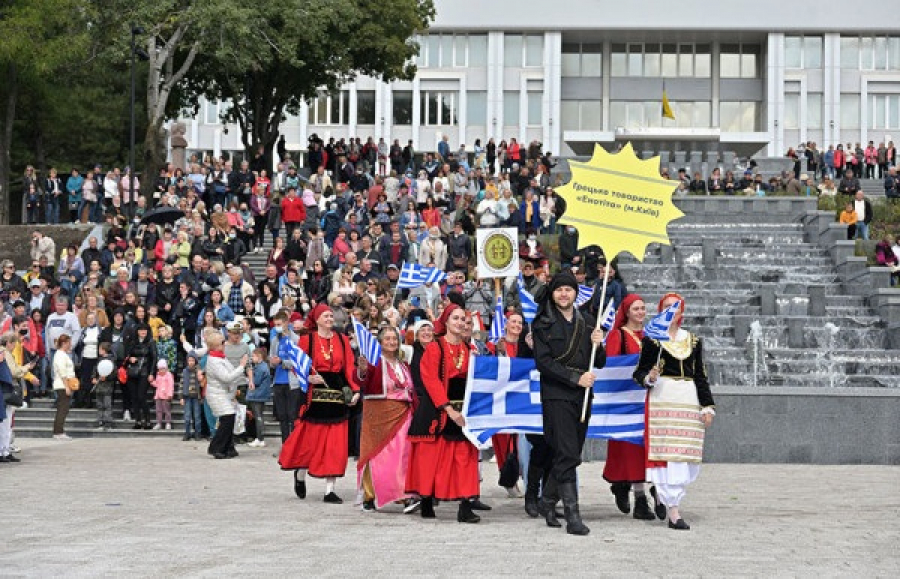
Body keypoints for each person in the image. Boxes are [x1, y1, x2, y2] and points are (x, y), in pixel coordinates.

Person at [532, 270, 606, 536]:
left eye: (569, 290)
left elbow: (598, 361)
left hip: (583, 396)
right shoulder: (542, 322)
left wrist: (600, 342)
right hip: (556, 394)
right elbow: (544, 363)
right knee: (567, 453)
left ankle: (547, 500)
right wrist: (576, 378)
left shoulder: (587, 321)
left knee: (571, 452)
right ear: (553, 293)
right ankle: (573, 515)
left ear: (576, 293)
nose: (564, 294)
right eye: (559, 290)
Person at [633, 293, 715, 530]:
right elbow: (638, 373)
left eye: (675, 308)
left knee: (684, 456)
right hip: (662, 400)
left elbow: (700, 375)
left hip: (687, 401)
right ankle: (674, 510)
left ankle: (666, 495)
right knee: (668, 456)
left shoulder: (694, 341)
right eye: (667, 307)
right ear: (660, 311)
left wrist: (707, 406)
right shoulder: (652, 341)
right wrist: (649, 377)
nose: (671, 311)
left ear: (682, 313)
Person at [405, 303, 486, 524]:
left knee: (465, 459)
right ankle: (427, 498)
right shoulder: (435, 347)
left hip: (464, 412)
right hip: (437, 411)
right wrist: (448, 409)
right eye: (456, 318)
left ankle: (465, 505)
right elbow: (430, 381)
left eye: (463, 319)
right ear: (446, 321)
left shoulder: (470, 350)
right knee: (432, 459)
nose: (460, 323)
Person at [278, 303, 360, 503]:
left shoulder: (342, 340)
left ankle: (329, 490)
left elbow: (349, 366)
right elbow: (297, 364)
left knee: (335, 444)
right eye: (326, 316)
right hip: (314, 395)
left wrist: (355, 390)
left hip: (337, 392)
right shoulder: (308, 340)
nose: (330, 319)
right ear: (316, 319)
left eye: (331, 316)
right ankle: (300, 473)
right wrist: (306, 376)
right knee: (310, 441)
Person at [601, 294, 664, 521]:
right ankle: (636, 495)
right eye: (635, 309)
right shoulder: (618, 335)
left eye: (642, 308)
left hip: (648, 399)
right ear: (627, 312)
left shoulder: (651, 335)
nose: (640, 312)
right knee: (629, 450)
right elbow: (611, 366)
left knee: (647, 447)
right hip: (626, 401)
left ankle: (652, 491)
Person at [356, 326, 417, 512]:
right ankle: (369, 495)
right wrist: (363, 370)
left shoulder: (403, 364)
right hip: (379, 415)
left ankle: (404, 495)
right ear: (380, 342)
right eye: (387, 338)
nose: (391, 342)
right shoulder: (374, 361)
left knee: (403, 456)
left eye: (394, 339)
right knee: (376, 456)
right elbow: (362, 380)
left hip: (404, 415)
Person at [486, 311, 532, 499]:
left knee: (521, 441)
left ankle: (522, 476)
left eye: (520, 322)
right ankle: (509, 478)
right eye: (513, 322)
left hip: (521, 398)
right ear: (505, 324)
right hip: (501, 398)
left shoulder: (526, 345)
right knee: (504, 441)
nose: (517, 325)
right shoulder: (495, 345)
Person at [205, 331, 250, 459]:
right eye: (222, 343)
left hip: (225, 393)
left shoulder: (220, 357)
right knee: (227, 418)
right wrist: (241, 366)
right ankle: (216, 447)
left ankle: (228, 447)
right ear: (215, 346)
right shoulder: (214, 361)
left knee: (229, 419)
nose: (224, 344)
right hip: (217, 394)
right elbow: (226, 377)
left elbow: (230, 372)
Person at [122, 323, 157, 430]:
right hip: (132, 371)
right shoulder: (132, 342)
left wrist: (152, 373)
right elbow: (126, 356)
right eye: (141, 330)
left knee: (141, 396)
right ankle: (138, 420)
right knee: (134, 397)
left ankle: (147, 420)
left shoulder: (151, 342)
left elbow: (154, 358)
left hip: (144, 371)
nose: (143, 332)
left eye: (145, 330)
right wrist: (130, 359)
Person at [52, 334, 77, 440]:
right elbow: (62, 372)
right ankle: (58, 432)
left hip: (64, 384)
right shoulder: (60, 355)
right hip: (62, 385)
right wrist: (66, 387)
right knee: (63, 409)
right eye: (68, 343)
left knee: (63, 409)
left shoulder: (62, 354)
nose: (70, 344)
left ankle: (59, 431)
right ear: (64, 343)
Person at [246, 347, 272, 448]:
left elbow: (256, 382)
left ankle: (260, 438)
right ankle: (259, 438)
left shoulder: (261, 368)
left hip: (258, 395)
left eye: (253, 356)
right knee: (259, 416)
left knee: (258, 417)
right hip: (259, 394)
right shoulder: (262, 366)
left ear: (259, 356)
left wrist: (249, 376)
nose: (252, 358)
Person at [180, 353, 205, 441]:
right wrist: (181, 397)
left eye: (192, 360)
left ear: (195, 361)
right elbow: (181, 384)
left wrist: (200, 374)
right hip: (187, 397)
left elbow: (201, 382)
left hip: (196, 397)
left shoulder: (198, 371)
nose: (191, 362)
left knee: (197, 416)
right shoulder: (184, 371)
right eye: (189, 360)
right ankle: (187, 433)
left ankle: (198, 433)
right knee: (187, 416)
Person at [92, 343, 116, 430]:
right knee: (99, 405)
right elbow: (95, 369)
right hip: (99, 386)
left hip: (107, 387)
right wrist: (93, 377)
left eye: (100, 349)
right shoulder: (99, 360)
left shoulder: (111, 360)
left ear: (104, 350)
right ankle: (100, 421)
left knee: (107, 405)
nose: (99, 351)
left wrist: (107, 377)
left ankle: (108, 422)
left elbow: (113, 374)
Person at [150, 360, 174, 430]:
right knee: (158, 410)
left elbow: (170, 385)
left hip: (166, 396)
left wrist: (170, 394)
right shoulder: (158, 375)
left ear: (166, 368)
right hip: (158, 396)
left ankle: (168, 423)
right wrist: (152, 382)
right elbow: (157, 384)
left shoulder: (169, 375)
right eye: (160, 369)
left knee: (167, 410)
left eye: (163, 369)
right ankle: (159, 423)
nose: (161, 371)